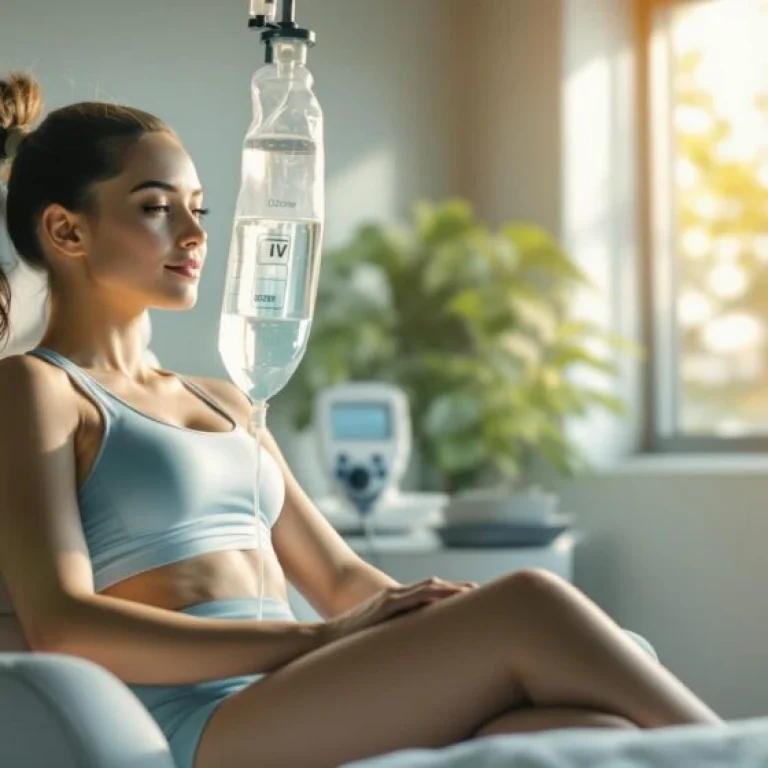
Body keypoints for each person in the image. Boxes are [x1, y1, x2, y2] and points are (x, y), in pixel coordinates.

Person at [0, 71, 722, 768]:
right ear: (66, 230)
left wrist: (437, 615)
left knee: (588, 730)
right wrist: (321, 639)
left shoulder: (227, 398)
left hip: (301, 691)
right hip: (206, 718)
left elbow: (341, 576)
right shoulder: (37, 389)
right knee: (531, 601)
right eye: (158, 208)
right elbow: (62, 623)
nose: (195, 234)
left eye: (200, 209)